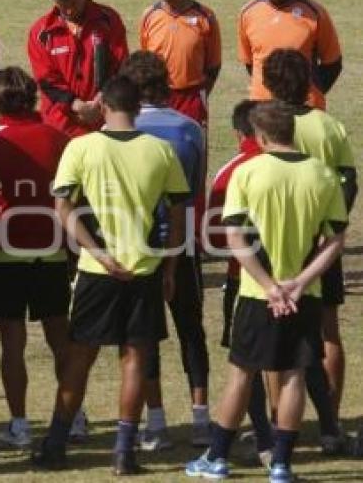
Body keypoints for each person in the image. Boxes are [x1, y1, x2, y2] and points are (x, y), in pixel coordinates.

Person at [34, 75, 188, 475]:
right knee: (135, 358)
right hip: (145, 268)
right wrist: (169, 267)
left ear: (102, 106)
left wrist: (96, 251)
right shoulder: (161, 151)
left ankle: (55, 442)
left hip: (97, 271)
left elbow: (63, 208)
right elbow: (177, 214)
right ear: (138, 107)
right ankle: (124, 451)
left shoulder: (81, 147)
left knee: (79, 357)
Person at [186, 102, 347, 483]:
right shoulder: (322, 175)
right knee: (293, 375)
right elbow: (334, 239)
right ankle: (281, 465)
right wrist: (300, 282)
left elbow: (237, 239)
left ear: (260, 137)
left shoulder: (249, 172)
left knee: (242, 372)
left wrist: (268, 284)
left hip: (257, 295)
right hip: (304, 294)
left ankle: (218, 458)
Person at [0, 67, 75, 452]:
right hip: (52, 252)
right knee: (61, 338)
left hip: (4, 254)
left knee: (13, 343)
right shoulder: (59, 140)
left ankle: (19, 423)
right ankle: (72, 417)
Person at [262, 48, 356, 454]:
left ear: (267, 83)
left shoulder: (261, 123)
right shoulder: (328, 126)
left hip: (272, 247)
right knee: (327, 331)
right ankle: (330, 424)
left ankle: (277, 420)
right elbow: (349, 181)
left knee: (271, 338)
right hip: (319, 247)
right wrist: (330, 227)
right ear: (310, 83)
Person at [121, 51, 211, 449]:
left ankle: (155, 422)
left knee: (144, 335)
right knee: (191, 330)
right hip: (183, 240)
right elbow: (193, 190)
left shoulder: (122, 131)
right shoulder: (190, 129)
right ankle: (201, 419)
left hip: (138, 245)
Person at [204, 99, 273, 467]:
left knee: (246, 365)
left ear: (237, 133)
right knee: (290, 366)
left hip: (244, 281)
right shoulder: (305, 167)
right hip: (297, 281)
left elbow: (214, 238)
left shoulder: (232, 173)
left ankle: (262, 438)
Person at [27, 0, 129, 137]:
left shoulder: (108, 20)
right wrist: (77, 105)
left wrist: (100, 99)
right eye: (61, 4)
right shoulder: (41, 32)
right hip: (60, 126)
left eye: (73, 2)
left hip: (104, 119)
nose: (68, 10)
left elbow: (120, 65)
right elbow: (46, 80)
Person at [238, 0, 342, 109]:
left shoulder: (314, 13)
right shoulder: (249, 12)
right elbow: (250, 63)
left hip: (305, 107)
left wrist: (309, 93)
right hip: (262, 108)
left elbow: (332, 63)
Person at [139, 0, 221, 126]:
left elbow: (213, 64)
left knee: (192, 149)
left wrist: (201, 94)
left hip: (192, 98)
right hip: (159, 98)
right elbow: (145, 61)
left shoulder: (205, 16)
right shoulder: (149, 16)